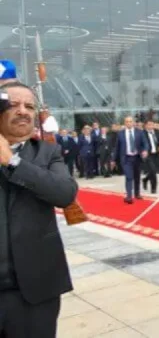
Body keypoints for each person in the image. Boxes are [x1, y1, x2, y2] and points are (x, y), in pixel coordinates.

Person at [0, 81, 79, 337]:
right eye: (13, 104)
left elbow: (64, 193)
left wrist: (11, 161)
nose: (23, 110)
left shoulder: (47, 152)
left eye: (29, 106)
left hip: (34, 291)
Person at [115, 116, 147, 204]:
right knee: (129, 177)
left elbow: (145, 143)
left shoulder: (139, 132)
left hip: (137, 157)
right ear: (125, 123)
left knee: (137, 176)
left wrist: (145, 150)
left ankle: (137, 193)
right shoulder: (120, 133)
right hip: (126, 158)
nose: (129, 123)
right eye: (127, 121)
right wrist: (113, 160)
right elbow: (117, 147)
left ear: (133, 123)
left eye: (130, 121)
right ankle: (129, 196)